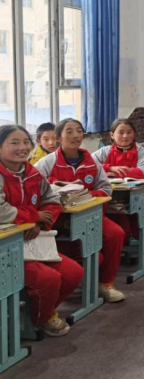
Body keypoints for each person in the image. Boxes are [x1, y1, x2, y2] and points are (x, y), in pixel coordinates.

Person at [0, 125, 83, 336]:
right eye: (14, 143)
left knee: (73, 273)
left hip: (31, 242)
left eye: (25, 142)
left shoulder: (32, 173)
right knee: (48, 279)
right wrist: (33, 216)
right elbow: (1, 211)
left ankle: (40, 313)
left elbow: (52, 201)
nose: (22, 147)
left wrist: (40, 224)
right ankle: (43, 318)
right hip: (5, 248)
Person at [35, 118, 127, 302]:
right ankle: (77, 280)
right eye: (69, 131)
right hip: (59, 219)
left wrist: (84, 195)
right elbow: (35, 192)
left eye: (79, 131)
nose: (75, 136)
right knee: (93, 255)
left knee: (116, 234)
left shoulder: (91, 162)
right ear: (58, 137)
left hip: (90, 215)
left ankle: (106, 283)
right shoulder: (46, 163)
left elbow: (106, 189)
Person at [92, 118, 144, 254]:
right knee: (119, 228)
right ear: (112, 135)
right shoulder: (104, 151)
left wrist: (113, 173)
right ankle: (120, 249)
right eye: (121, 132)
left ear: (134, 134)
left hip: (137, 197)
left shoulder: (141, 152)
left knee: (139, 226)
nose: (125, 136)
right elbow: (90, 166)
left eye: (129, 132)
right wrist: (110, 168)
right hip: (112, 198)